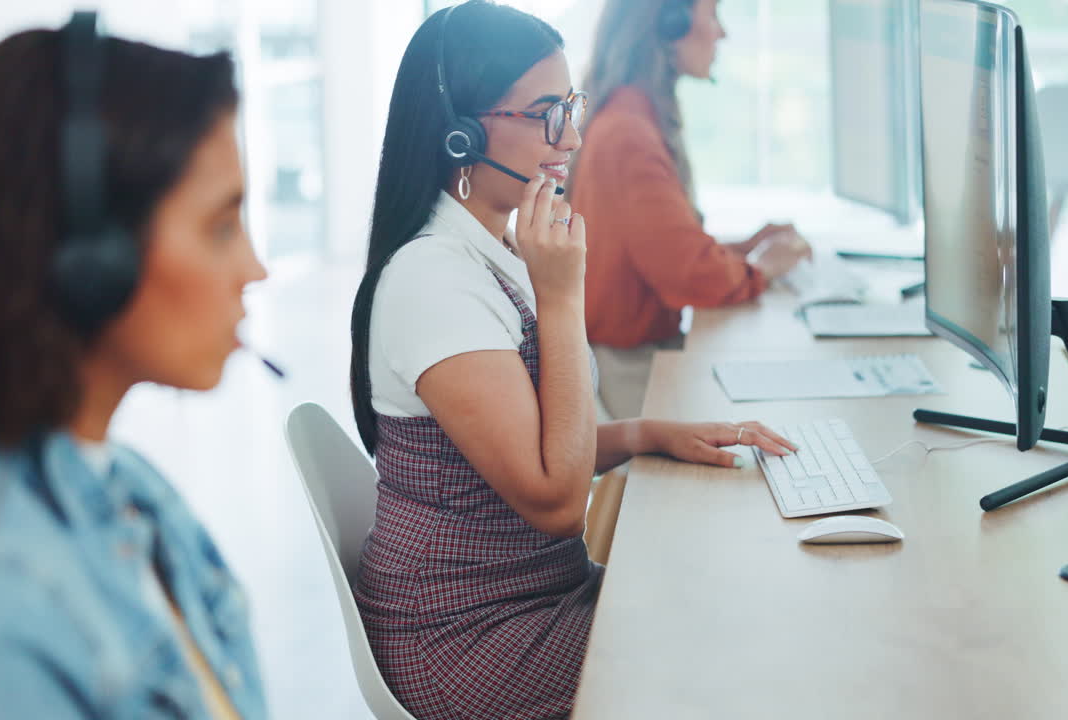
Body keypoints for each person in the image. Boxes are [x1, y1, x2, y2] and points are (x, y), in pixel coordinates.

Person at [348, 2, 796, 718]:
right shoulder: (433, 281)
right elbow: (556, 504)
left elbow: (540, 438)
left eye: (572, 107)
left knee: (735, 594)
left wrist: (649, 433)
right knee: (736, 637)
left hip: (534, 596)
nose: (574, 136)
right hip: (468, 638)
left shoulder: (495, 243)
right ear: (461, 133)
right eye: (547, 113)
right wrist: (560, 299)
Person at [0, 16, 268, 719]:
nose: (253, 269)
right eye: (221, 226)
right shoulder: (2, 605)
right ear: (92, 264)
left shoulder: (132, 491)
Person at [567, 0, 814, 419]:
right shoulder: (629, 132)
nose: (722, 33)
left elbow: (664, 245)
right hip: (629, 372)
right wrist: (763, 267)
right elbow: (688, 272)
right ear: (670, 24)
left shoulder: (633, 113)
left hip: (635, 358)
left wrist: (749, 246)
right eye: (713, 15)